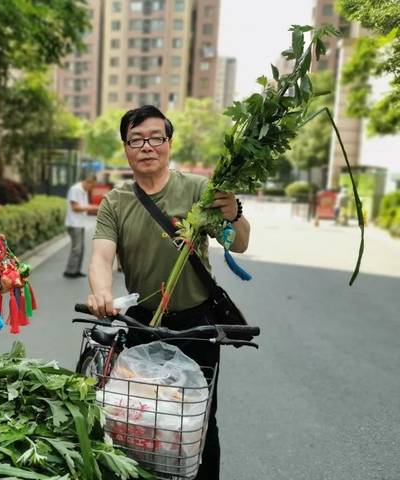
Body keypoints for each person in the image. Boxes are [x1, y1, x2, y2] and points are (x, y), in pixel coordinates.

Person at [86, 105, 250, 480]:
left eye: (155, 138)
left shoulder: (199, 190)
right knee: (134, 418)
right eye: (136, 140)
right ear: (126, 148)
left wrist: (234, 212)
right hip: (141, 324)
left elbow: (239, 244)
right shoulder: (116, 201)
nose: (147, 147)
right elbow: (101, 257)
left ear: (169, 143)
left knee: (196, 420)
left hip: (196, 325)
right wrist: (101, 293)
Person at [63, 175, 99, 278]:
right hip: (74, 223)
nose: (92, 189)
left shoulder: (84, 191)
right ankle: (70, 271)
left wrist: (91, 208)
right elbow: (75, 207)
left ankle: (76, 270)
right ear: (88, 182)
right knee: (77, 248)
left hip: (80, 223)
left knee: (81, 248)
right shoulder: (75, 189)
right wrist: (93, 207)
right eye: (92, 186)